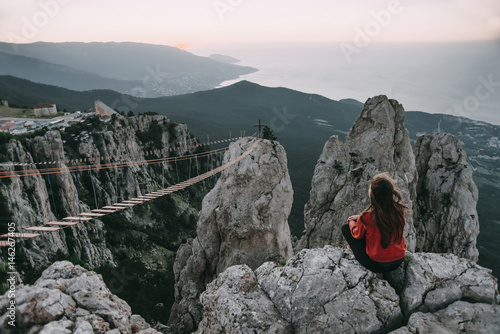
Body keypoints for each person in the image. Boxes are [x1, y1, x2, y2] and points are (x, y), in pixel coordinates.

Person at [341, 172, 408, 273]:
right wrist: (360, 218)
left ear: (372, 194)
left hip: (377, 265)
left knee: (345, 228)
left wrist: (352, 221)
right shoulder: (398, 210)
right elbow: (383, 217)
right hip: (398, 261)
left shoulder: (367, 217)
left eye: (370, 188)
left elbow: (356, 235)